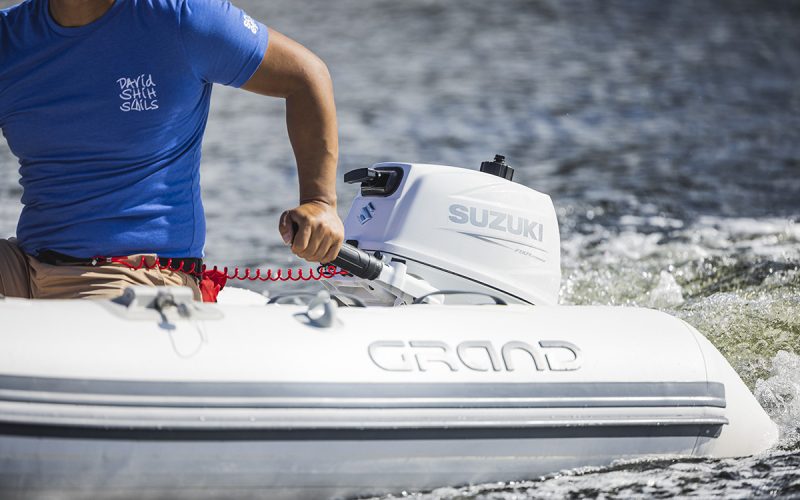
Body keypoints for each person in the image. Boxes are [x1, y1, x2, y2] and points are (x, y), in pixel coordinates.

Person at [0, 0, 344, 301]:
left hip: (138, 276)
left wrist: (320, 203)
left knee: (77, 335)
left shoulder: (183, 17)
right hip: (27, 266)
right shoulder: (8, 38)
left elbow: (305, 75)